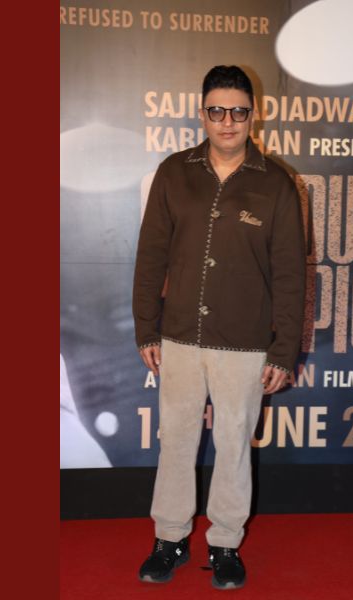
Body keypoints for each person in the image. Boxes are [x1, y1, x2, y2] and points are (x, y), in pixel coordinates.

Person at [132, 65, 306, 590]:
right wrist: (146, 328)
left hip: (246, 344)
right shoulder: (173, 173)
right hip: (179, 337)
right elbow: (150, 257)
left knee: (233, 445)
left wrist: (284, 350)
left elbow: (290, 274)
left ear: (254, 115)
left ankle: (226, 543)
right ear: (202, 113)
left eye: (238, 111)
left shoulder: (276, 183)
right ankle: (169, 539)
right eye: (216, 110)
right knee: (176, 442)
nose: (227, 121)